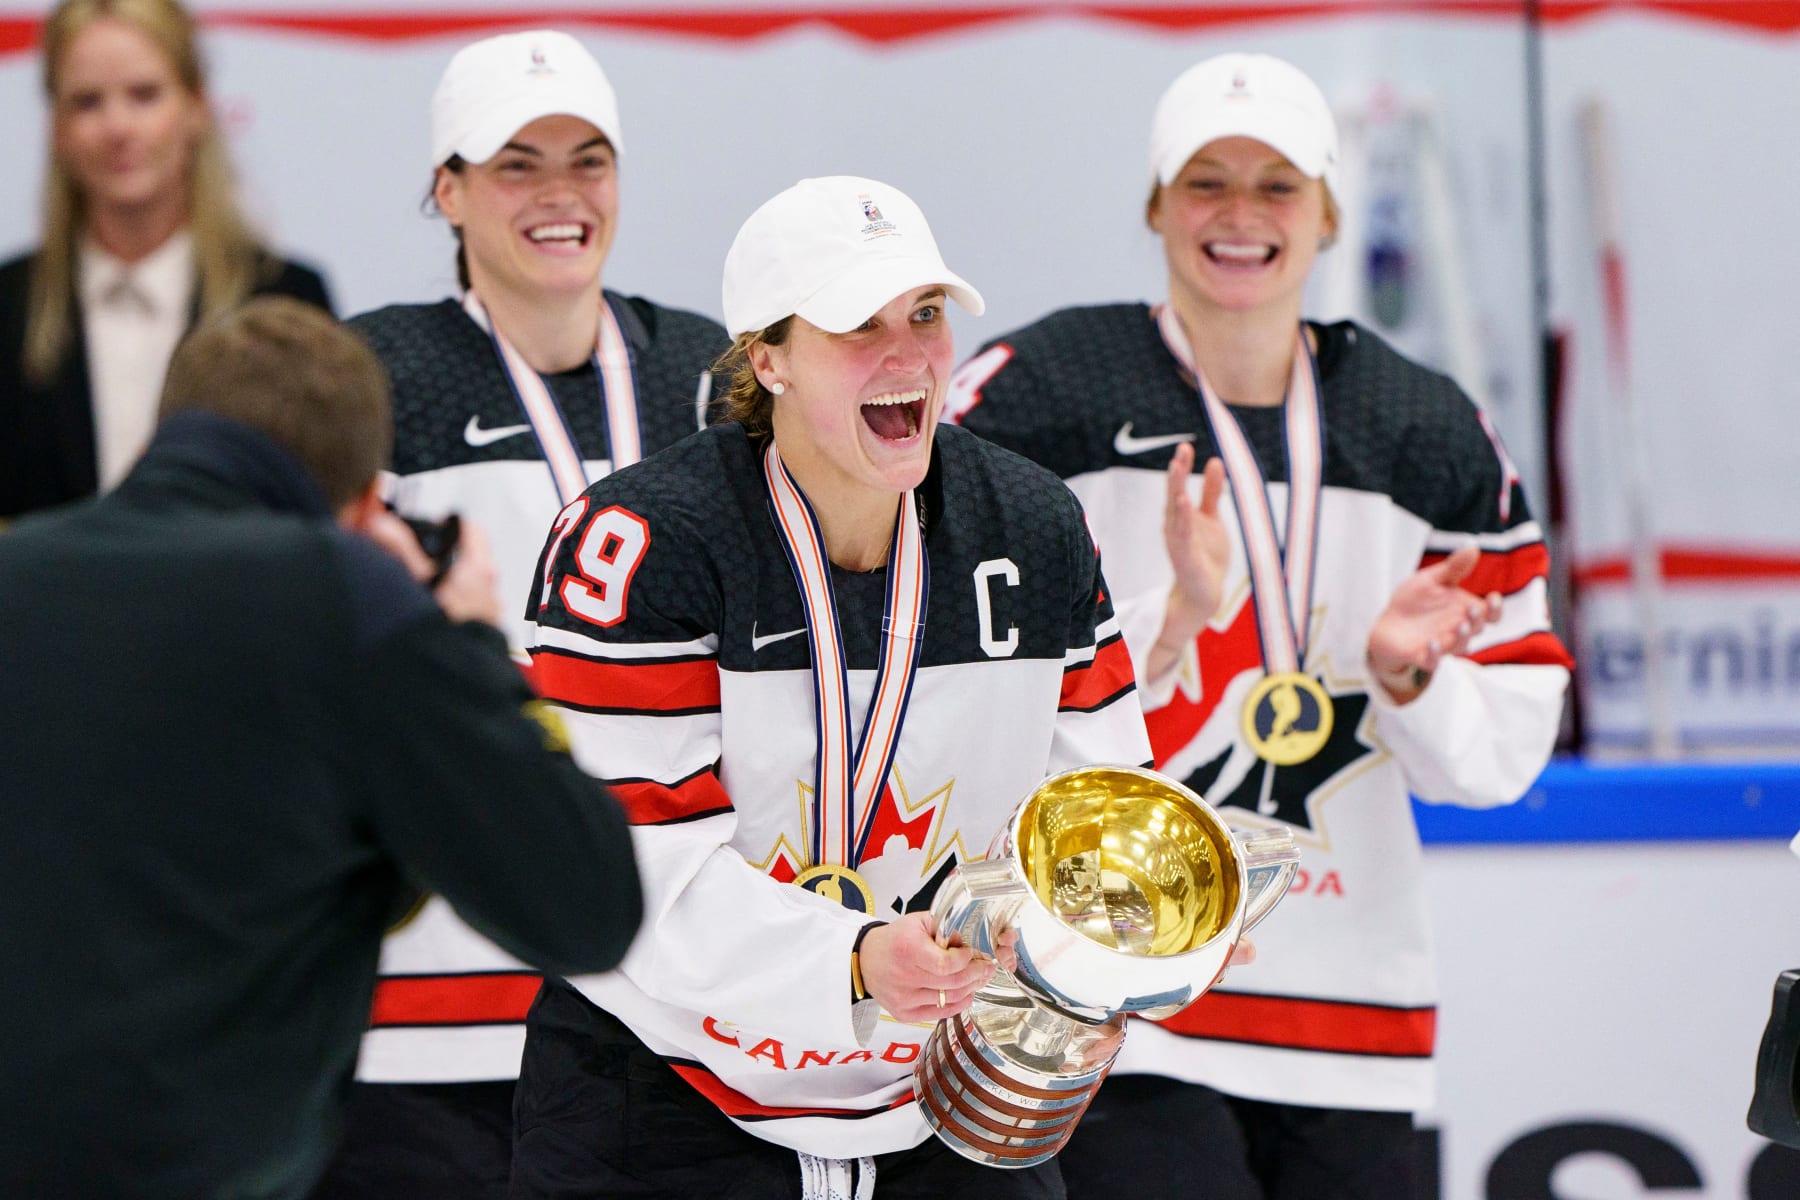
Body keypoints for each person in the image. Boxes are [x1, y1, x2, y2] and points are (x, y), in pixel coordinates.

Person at [948, 53, 1573, 1199]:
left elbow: (1508, 747)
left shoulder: (1425, 427)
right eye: (1206, 183)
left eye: (1277, 185)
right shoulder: (1039, 391)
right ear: (1155, 206)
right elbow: (938, 670)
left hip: (1354, 1014)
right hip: (1115, 993)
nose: (1240, 216)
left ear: (1329, 211)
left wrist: (1409, 677)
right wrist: (1171, 617)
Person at [508, 175, 1153, 1200]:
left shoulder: (1034, 527)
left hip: (940, 1097)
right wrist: (852, 958)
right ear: (768, 358)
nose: (907, 356)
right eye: (858, 323)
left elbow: (1096, 801)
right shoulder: (642, 545)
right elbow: (617, 875)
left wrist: (1133, 926)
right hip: (670, 1093)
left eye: (928, 316)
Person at [0, 297, 641, 1200]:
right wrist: (464, 643)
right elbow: (589, 903)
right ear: (367, 500)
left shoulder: (19, 571)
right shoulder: (351, 604)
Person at [314, 30, 730, 1198]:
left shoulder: (707, 376)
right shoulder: (372, 379)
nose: (560, 195)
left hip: (673, 1010)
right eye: (516, 164)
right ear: (447, 190)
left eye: (587, 160)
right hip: (439, 1012)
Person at [0, 0, 331, 521]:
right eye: (87, 102)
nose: (118, 127)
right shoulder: (7, 307)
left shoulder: (286, 299)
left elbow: (319, 512)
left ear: (196, 106)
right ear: (57, 127)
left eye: (144, 94)